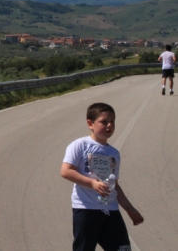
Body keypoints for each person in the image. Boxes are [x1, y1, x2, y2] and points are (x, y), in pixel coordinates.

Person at [61, 103, 144, 251]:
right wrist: (92, 183)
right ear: (90, 124)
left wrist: (129, 209)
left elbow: (115, 185)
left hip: (110, 209)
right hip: (86, 209)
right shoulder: (80, 145)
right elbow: (66, 171)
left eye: (112, 121)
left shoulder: (113, 153)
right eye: (104, 122)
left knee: (123, 248)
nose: (109, 125)